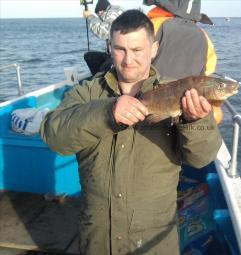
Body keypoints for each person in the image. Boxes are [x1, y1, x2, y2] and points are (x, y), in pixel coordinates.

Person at [40, 9, 221, 255]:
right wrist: (107, 112)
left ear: (154, 49)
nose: (128, 60)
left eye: (137, 50)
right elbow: (54, 137)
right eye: (120, 49)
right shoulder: (87, 93)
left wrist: (194, 122)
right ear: (109, 47)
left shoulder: (181, 93)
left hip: (154, 244)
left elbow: (202, 157)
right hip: (98, 241)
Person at [144, 0, 217, 79]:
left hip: (149, 90)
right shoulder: (204, 37)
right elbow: (209, 71)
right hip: (188, 90)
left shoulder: (150, 26)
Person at [83, 0, 124, 75]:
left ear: (101, 11)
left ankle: (100, 82)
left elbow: (104, 31)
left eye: (99, 16)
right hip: (114, 55)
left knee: (104, 68)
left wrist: (89, 17)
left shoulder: (113, 12)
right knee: (89, 56)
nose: (100, 19)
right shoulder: (114, 12)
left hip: (121, 56)